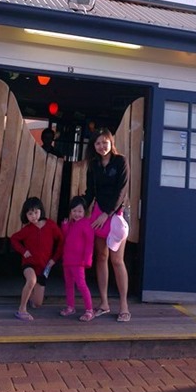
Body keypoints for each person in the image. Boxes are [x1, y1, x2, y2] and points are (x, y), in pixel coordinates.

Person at [82, 127, 131, 322]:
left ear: (111, 142)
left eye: (105, 142)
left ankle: (124, 306)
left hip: (117, 214)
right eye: (98, 143)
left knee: (117, 260)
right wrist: (78, 208)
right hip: (98, 214)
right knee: (101, 257)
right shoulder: (93, 165)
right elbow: (90, 192)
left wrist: (107, 213)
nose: (102, 146)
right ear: (93, 146)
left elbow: (122, 191)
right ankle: (103, 303)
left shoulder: (121, 162)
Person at [10, 196, 63, 321]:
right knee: (31, 280)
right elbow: (14, 239)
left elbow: (61, 241)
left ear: (41, 211)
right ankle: (21, 309)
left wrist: (54, 259)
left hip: (44, 267)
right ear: (25, 215)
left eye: (36, 212)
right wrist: (24, 251)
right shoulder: (27, 229)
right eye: (30, 214)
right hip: (29, 264)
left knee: (37, 303)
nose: (33, 216)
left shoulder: (50, 225)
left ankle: (29, 294)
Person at [59, 196, 95, 322]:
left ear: (84, 211)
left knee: (81, 285)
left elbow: (89, 243)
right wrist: (64, 227)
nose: (77, 214)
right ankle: (70, 307)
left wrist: (87, 260)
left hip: (78, 262)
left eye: (80, 211)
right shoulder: (70, 224)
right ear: (70, 211)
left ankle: (89, 310)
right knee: (69, 285)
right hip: (68, 261)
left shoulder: (86, 224)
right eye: (74, 211)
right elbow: (66, 238)